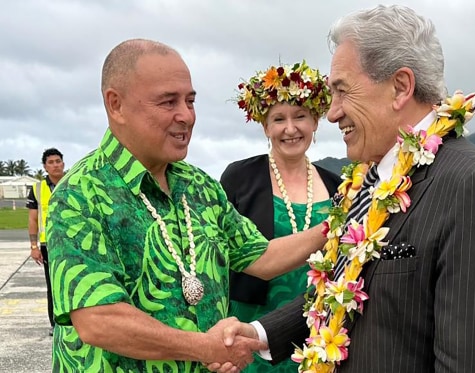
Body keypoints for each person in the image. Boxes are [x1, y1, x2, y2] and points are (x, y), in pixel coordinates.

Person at [209, 5, 475, 373]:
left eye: (342, 91)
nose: (332, 113)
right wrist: (259, 333)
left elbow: (472, 363)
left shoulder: (470, 184)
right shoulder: (365, 180)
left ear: (400, 87)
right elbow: (339, 290)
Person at [45, 39, 331, 373]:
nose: (187, 116)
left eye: (190, 101)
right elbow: (99, 319)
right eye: (169, 102)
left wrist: (342, 224)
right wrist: (205, 347)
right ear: (116, 104)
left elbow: (261, 257)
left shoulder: (200, 186)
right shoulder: (80, 192)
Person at [220, 60, 341, 372]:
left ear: (315, 120)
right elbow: (219, 261)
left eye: (300, 116)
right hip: (251, 329)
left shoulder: (337, 185)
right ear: (265, 127)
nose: (290, 128)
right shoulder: (239, 178)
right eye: (278, 119)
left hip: (317, 327)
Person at [26, 147, 64, 337]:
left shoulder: (73, 181)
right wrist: (34, 246)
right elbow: (33, 219)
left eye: (58, 161)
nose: (55, 165)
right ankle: (55, 323)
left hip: (72, 241)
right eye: (51, 162)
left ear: (63, 163)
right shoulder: (37, 188)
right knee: (53, 285)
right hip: (48, 244)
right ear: (45, 167)